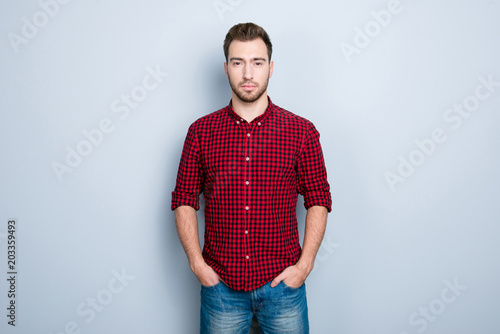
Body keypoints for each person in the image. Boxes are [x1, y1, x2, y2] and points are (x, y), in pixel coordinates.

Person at [171, 22, 332, 334]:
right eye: (238, 62)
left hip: (283, 288)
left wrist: (305, 265)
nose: (248, 74)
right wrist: (196, 264)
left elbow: (318, 200)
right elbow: (184, 200)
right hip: (220, 289)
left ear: (270, 68)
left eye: (257, 62)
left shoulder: (302, 132)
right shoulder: (201, 132)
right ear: (226, 68)